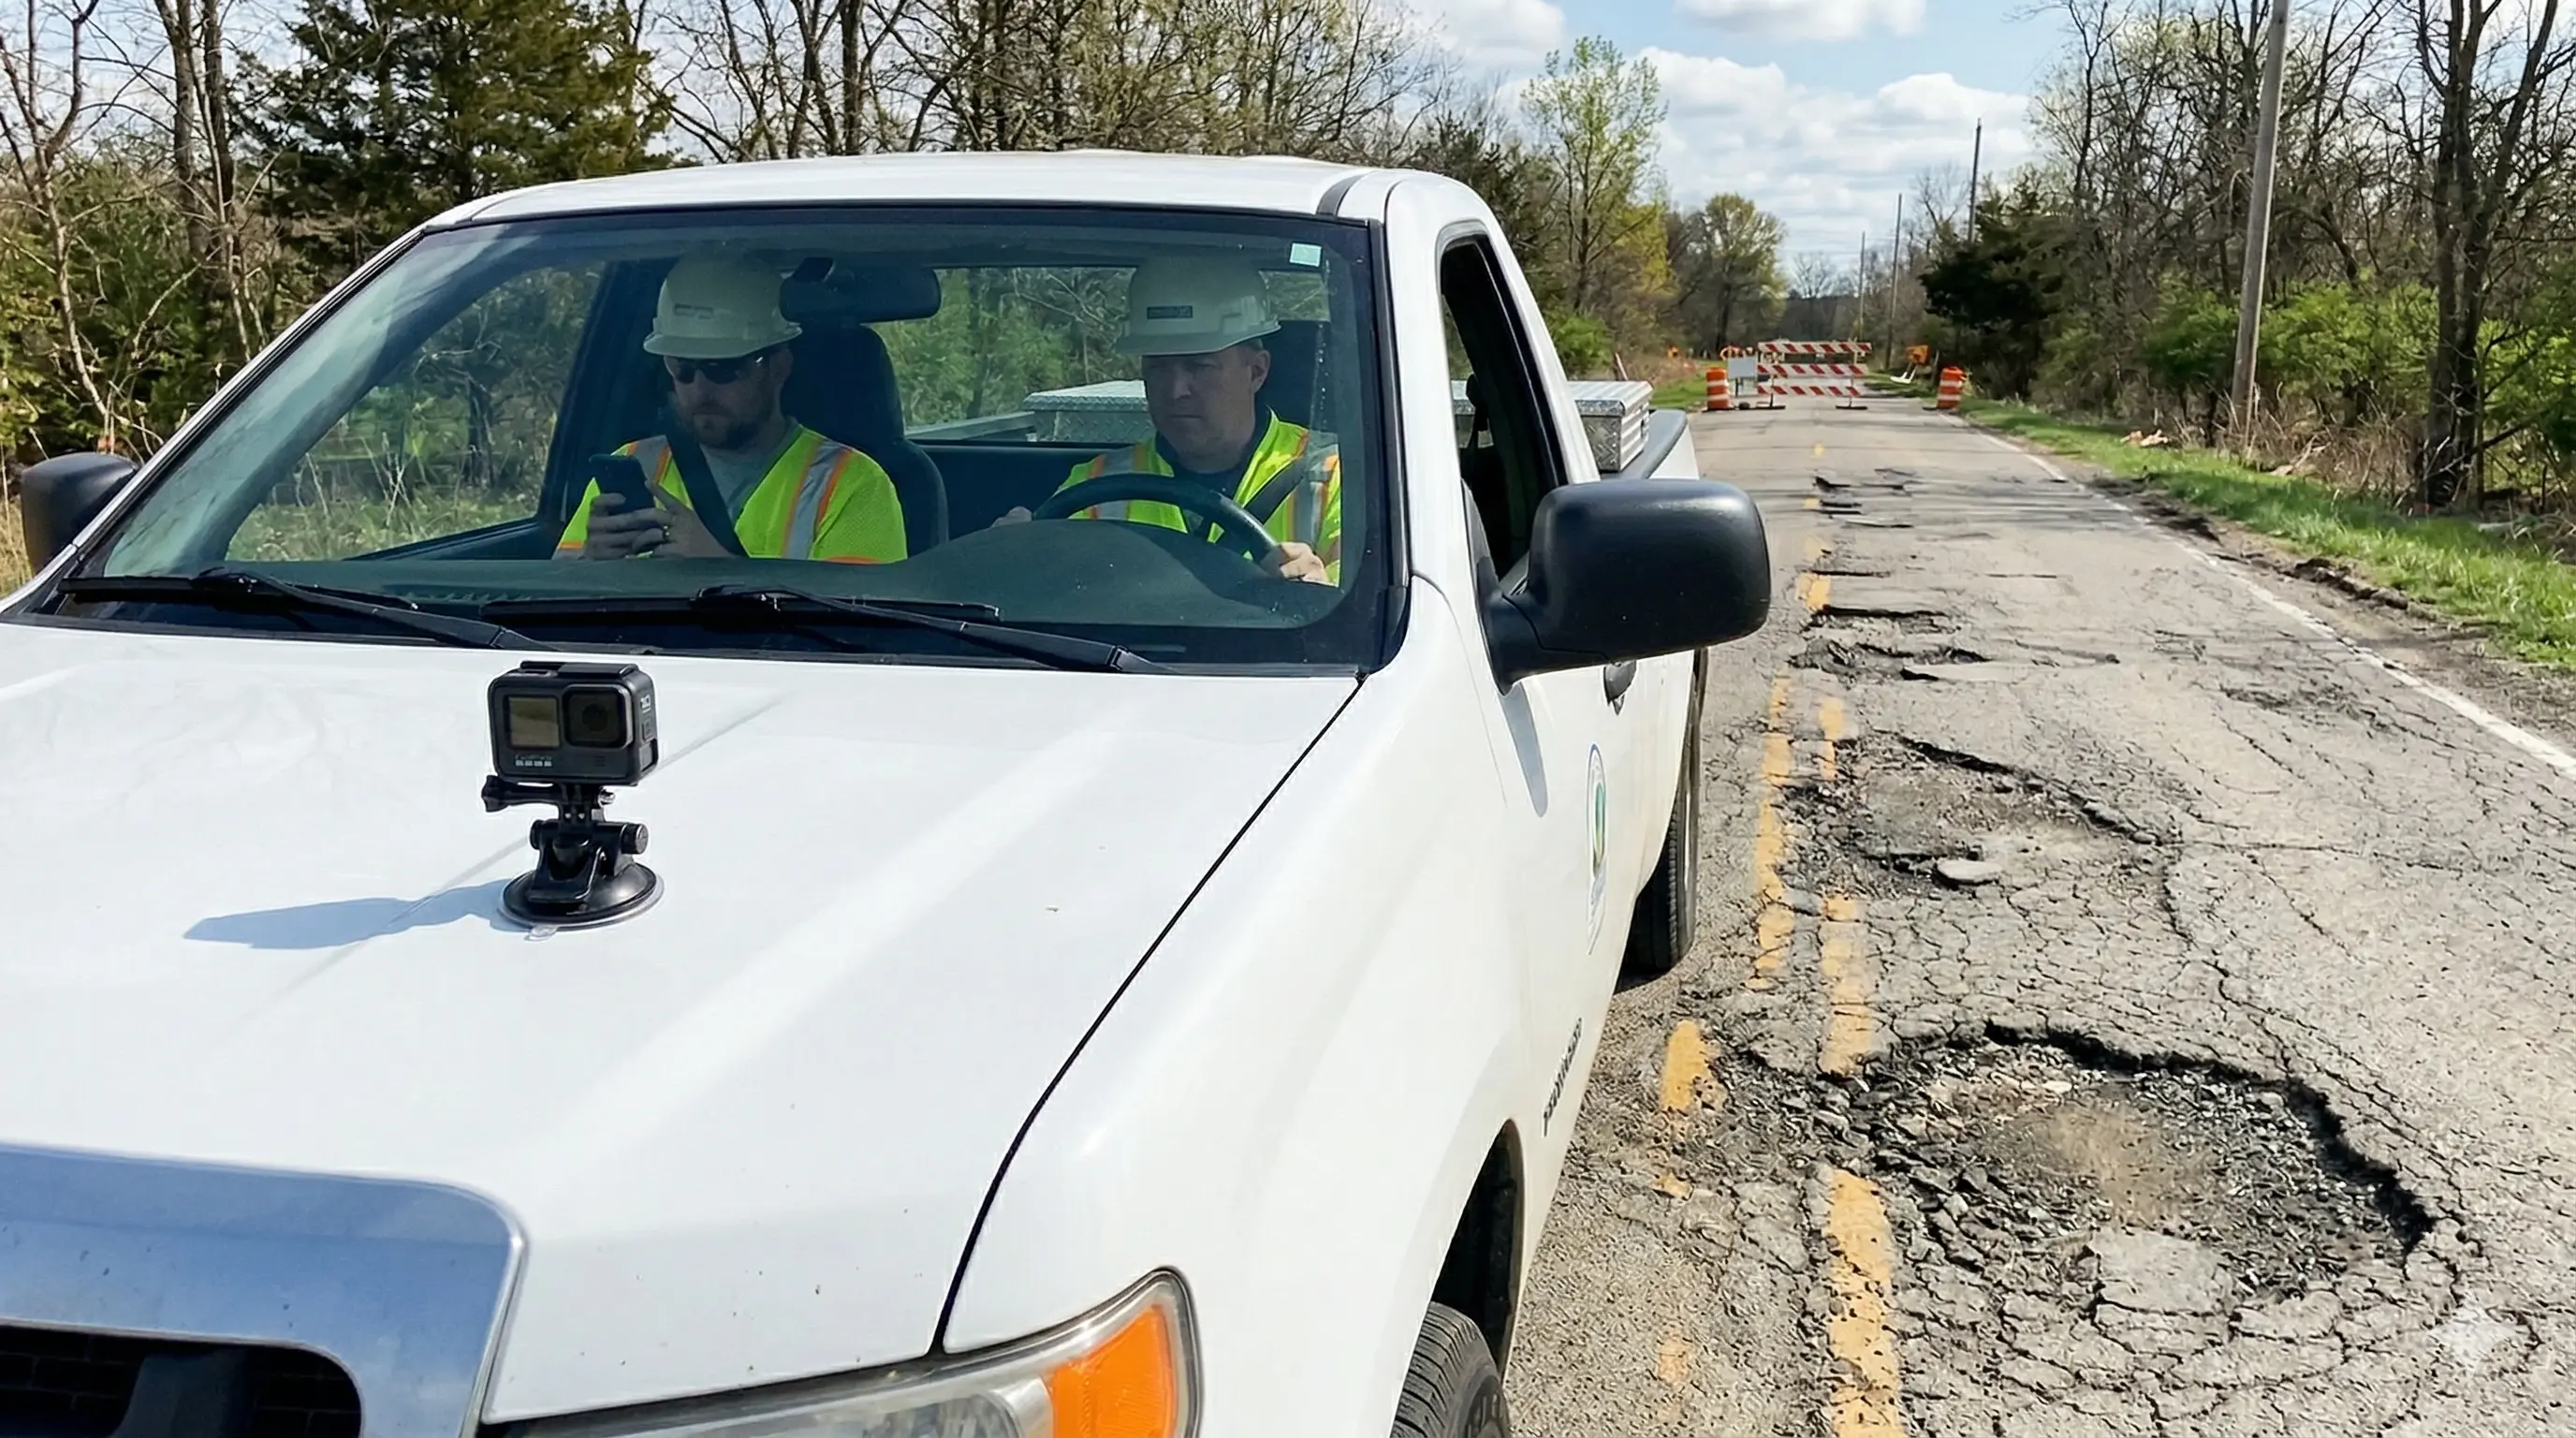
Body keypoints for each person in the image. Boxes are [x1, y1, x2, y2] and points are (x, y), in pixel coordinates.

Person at [998, 256, 1339, 584]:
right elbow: (1048, 599)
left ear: (1257, 370)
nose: (1175, 390)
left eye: (1198, 366)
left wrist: (1323, 592)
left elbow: (1371, 609)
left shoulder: (1330, 478)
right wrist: (1005, 562)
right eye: (1159, 367)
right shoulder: (1094, 483)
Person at [557, 253, 905, 564]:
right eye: (683, 368)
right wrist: (592, 562)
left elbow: (859, 628)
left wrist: (716, 567)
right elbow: (547, 600)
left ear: (778, 367)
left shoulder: (850, 483)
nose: (700, 390)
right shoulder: (636, 463)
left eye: (723, 369)